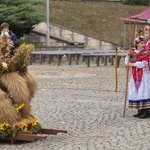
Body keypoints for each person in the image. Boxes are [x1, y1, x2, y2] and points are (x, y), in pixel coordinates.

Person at [125, 30, 150, 119]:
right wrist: (127, 59)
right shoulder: (132, 52)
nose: (143, 44)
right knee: (137, 91)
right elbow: (126, 61)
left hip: (144, 75)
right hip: (135, 75)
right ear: (137, 44)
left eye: (144, 42)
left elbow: (145, 64)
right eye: (141, 43)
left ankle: (146, 111)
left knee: (144, 91)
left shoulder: (146, 52)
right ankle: (140, 110)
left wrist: (133, 64)